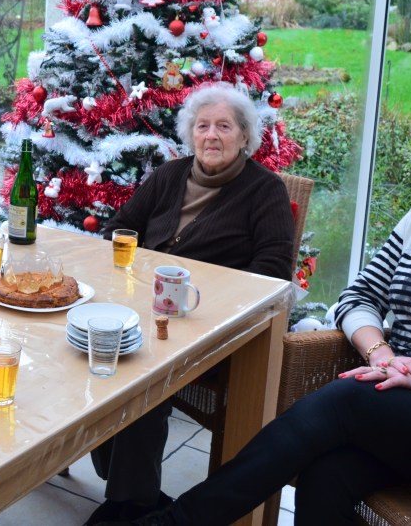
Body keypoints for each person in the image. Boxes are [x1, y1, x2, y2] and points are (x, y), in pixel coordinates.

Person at [117, 102, 411, 526]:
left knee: (343, 400)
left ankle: (175, 523)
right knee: (325, 476)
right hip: (400, 403)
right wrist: (380, 353)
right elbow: (356, 298)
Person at [87, 83, 296, 524]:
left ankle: (132, 503)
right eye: (203, 126)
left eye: (224, 126)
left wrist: (203, 295)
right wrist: (140, 274)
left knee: (143, 374)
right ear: (190, 134)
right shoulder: (168, 176)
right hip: (142, 308)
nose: (211, 136)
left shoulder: (265, 191)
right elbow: (121, 228)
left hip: (212, 327)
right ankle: (118, 472)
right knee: (95, 346)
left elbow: (273, 274)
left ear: (244, 136)